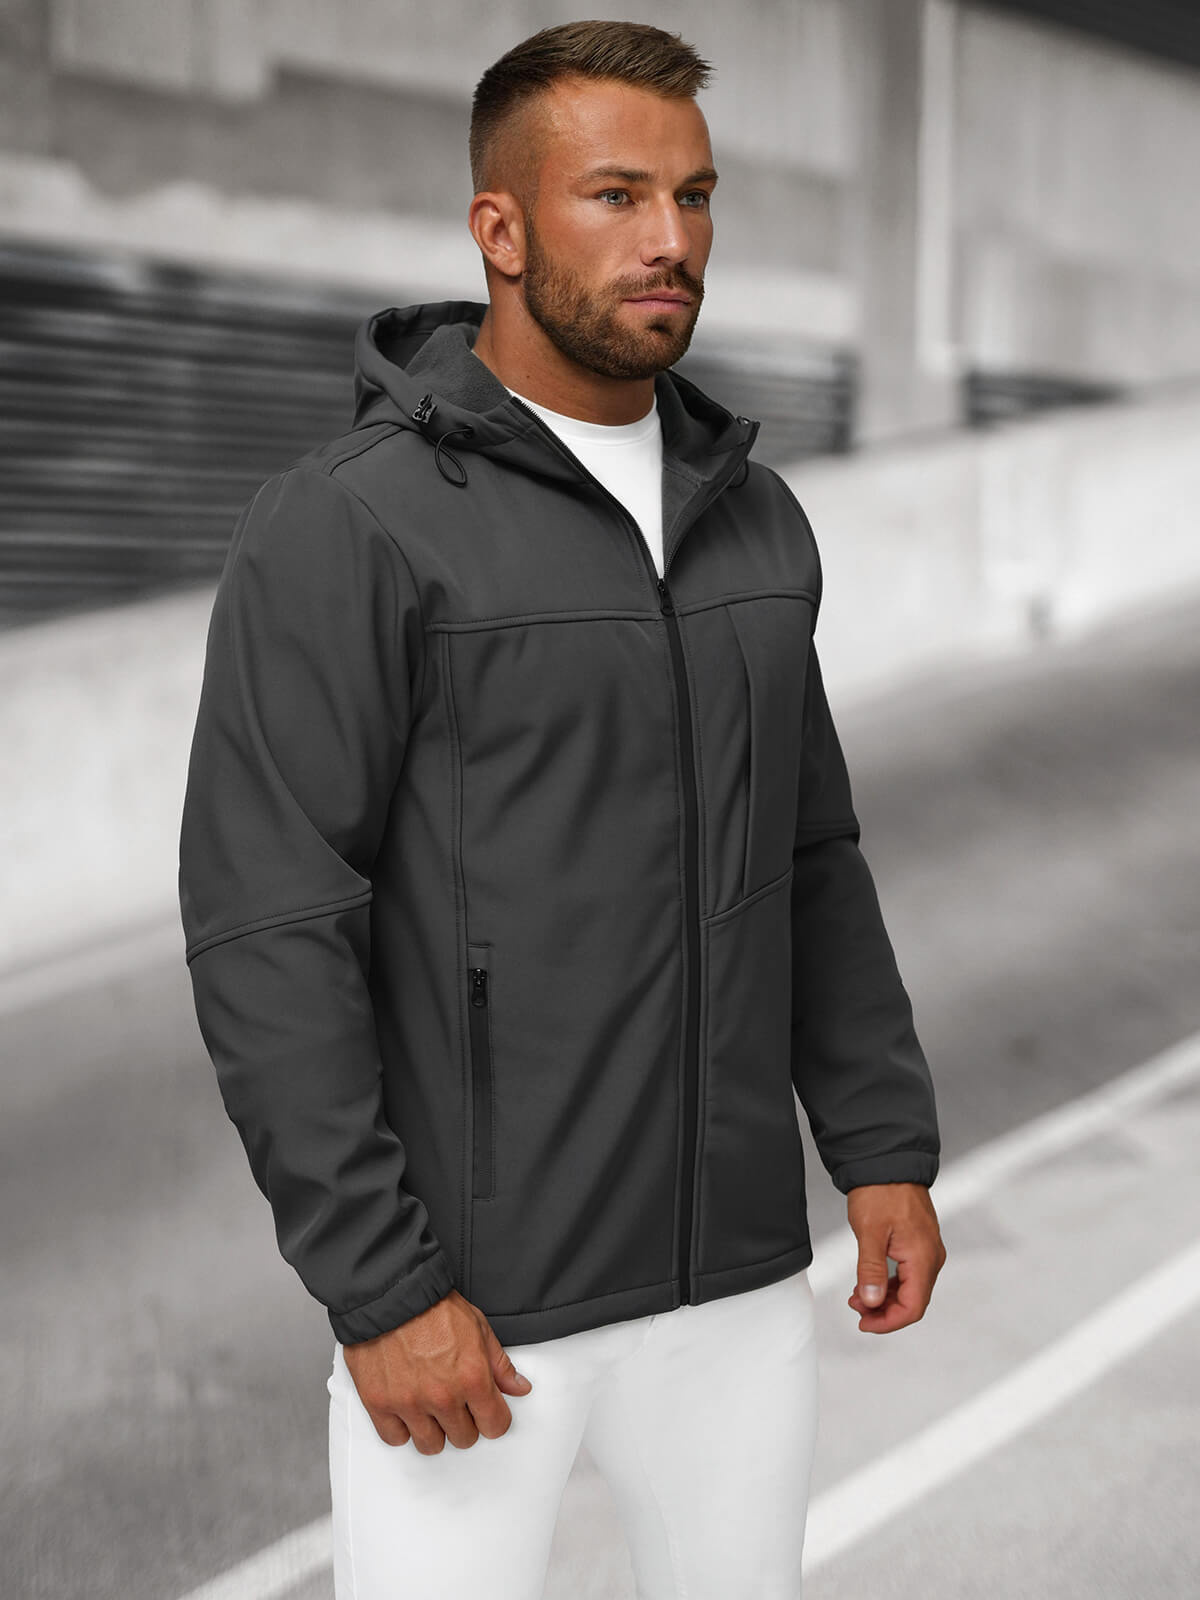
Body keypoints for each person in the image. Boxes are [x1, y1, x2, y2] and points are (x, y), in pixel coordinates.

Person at [178, 18, 946, 1599]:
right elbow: (270, 919)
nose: (672, 239)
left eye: (694, 196)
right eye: (617, 195)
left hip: (733, 1288)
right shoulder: (354, 526)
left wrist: (879, 1143)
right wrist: (382, 1287)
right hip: (478, 1312)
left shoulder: (753, 519)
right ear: (503, 230)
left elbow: (810, 856)